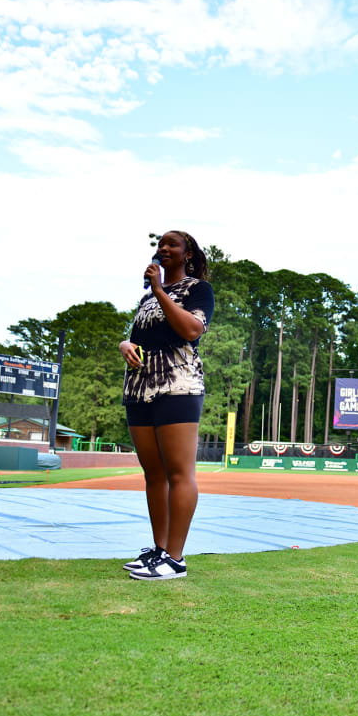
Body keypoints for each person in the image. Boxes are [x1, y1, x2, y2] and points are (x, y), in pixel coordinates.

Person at [118, 230, 214, 580]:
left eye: (172, 244)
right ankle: (159, 551)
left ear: (188, 254)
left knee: (178, 472)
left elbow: (191, 330)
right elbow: (143, 336)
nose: (164, 249)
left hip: (178, 385)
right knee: (153, 474)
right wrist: (125, 345)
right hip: (139, 386)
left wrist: (159, 290)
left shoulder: (197, 289)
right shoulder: (146, 300)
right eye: (161, 245)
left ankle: (175, 558)